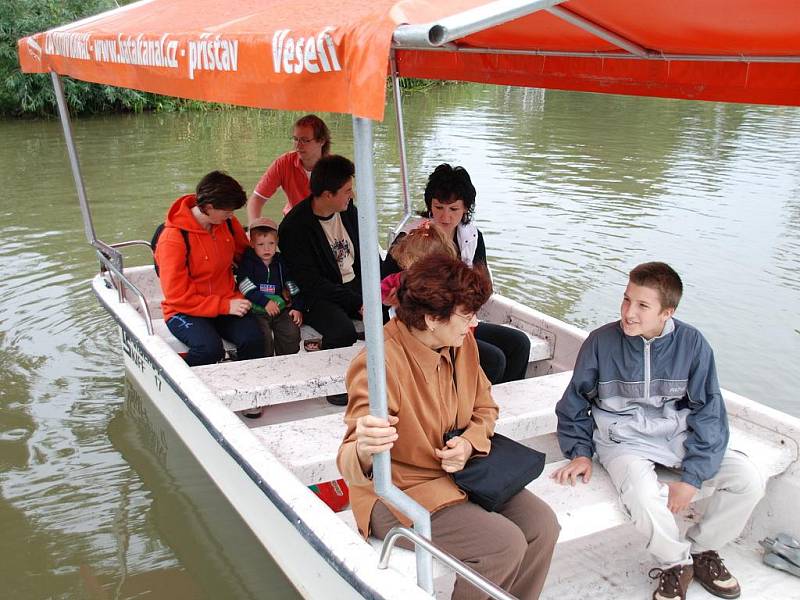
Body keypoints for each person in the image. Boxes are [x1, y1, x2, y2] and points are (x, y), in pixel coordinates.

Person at [338, 254, 559, 600]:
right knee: (502, 545)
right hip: (400, 492)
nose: (474, 324)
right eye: (467, 315)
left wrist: (469, 442)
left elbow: (486, 406)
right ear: (430, 318)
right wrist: (365, 447)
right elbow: (350, 462)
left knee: (543, 526)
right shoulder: (378, 364)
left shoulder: (461, 342)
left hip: (462, 474)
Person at [552, 262, 765, 600]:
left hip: (676, 439)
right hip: (622, 441)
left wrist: (693, 477)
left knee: (748, 480)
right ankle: (675, 563)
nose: (628, 313)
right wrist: (580, 452)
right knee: (641, 495)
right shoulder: (600, 342)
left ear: (667, 312)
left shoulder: (693, 344)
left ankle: (701, 550)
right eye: (626, 300)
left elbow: (709, 413)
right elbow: (573, 402)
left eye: (642, 305)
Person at [382, 163, 531, 384]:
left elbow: (482, 285)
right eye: (438, 207)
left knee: (519, 343)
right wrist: (395, 296)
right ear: (429, 205)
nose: (445, 217)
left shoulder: (472, 237)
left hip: (458, 320)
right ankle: (463, 407)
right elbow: (385, 284)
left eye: (454, 209)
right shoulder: (411, 237)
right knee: (494, 359)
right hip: (424, 325)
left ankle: (499, 406)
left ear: (465, 209)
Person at [155, 171, 265, 366]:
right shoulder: (173, 239)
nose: (232, 215)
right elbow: (177, 296)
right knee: (209, 350)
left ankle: (244, 384)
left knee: (254, 339)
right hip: (184, 310)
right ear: (208, 207)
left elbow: (247, 258)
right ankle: (179, 378)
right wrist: (224, 306)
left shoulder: (228, 223)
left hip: (226, 300)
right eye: (227, 211)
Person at [278, 154, 361, 405]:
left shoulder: (349, 212)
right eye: (347, 191)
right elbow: (310, 282)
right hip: (317, 295)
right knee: (342, 330)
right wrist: (357, 302)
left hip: (352, 285)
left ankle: (387, 379)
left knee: (396, 315)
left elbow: (366, 256)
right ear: (327, 194)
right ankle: (335, 384)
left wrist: (383, 289)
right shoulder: (295, 227)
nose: (352, 195)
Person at [237, 217, 303, 357]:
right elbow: (244, 285)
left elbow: (290, 283)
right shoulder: (248, 261)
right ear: (252, 243)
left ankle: (287, 362)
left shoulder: (280, 261)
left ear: (276, 242)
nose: (267, 249)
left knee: (291, 332)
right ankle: (266, 366)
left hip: (279, 308)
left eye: (271, 243)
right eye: (261, 244)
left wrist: (297, 307)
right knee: (263, 337)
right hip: (256, 309)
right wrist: (264, 302)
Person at [247, 114, 331, 221]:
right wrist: (255, 228)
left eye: (305, 140)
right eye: (296, 139)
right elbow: (257, 199)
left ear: (322, 141)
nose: (298, 146)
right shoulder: (284, 163)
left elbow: (346, 202)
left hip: (327, 224)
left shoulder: (335, 167)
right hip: (293, 223)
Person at [379, 221, 458, 309]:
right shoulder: (399, 279)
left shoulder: (449, 280)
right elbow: (381, 292)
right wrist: (385, 301)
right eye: (413, 265)